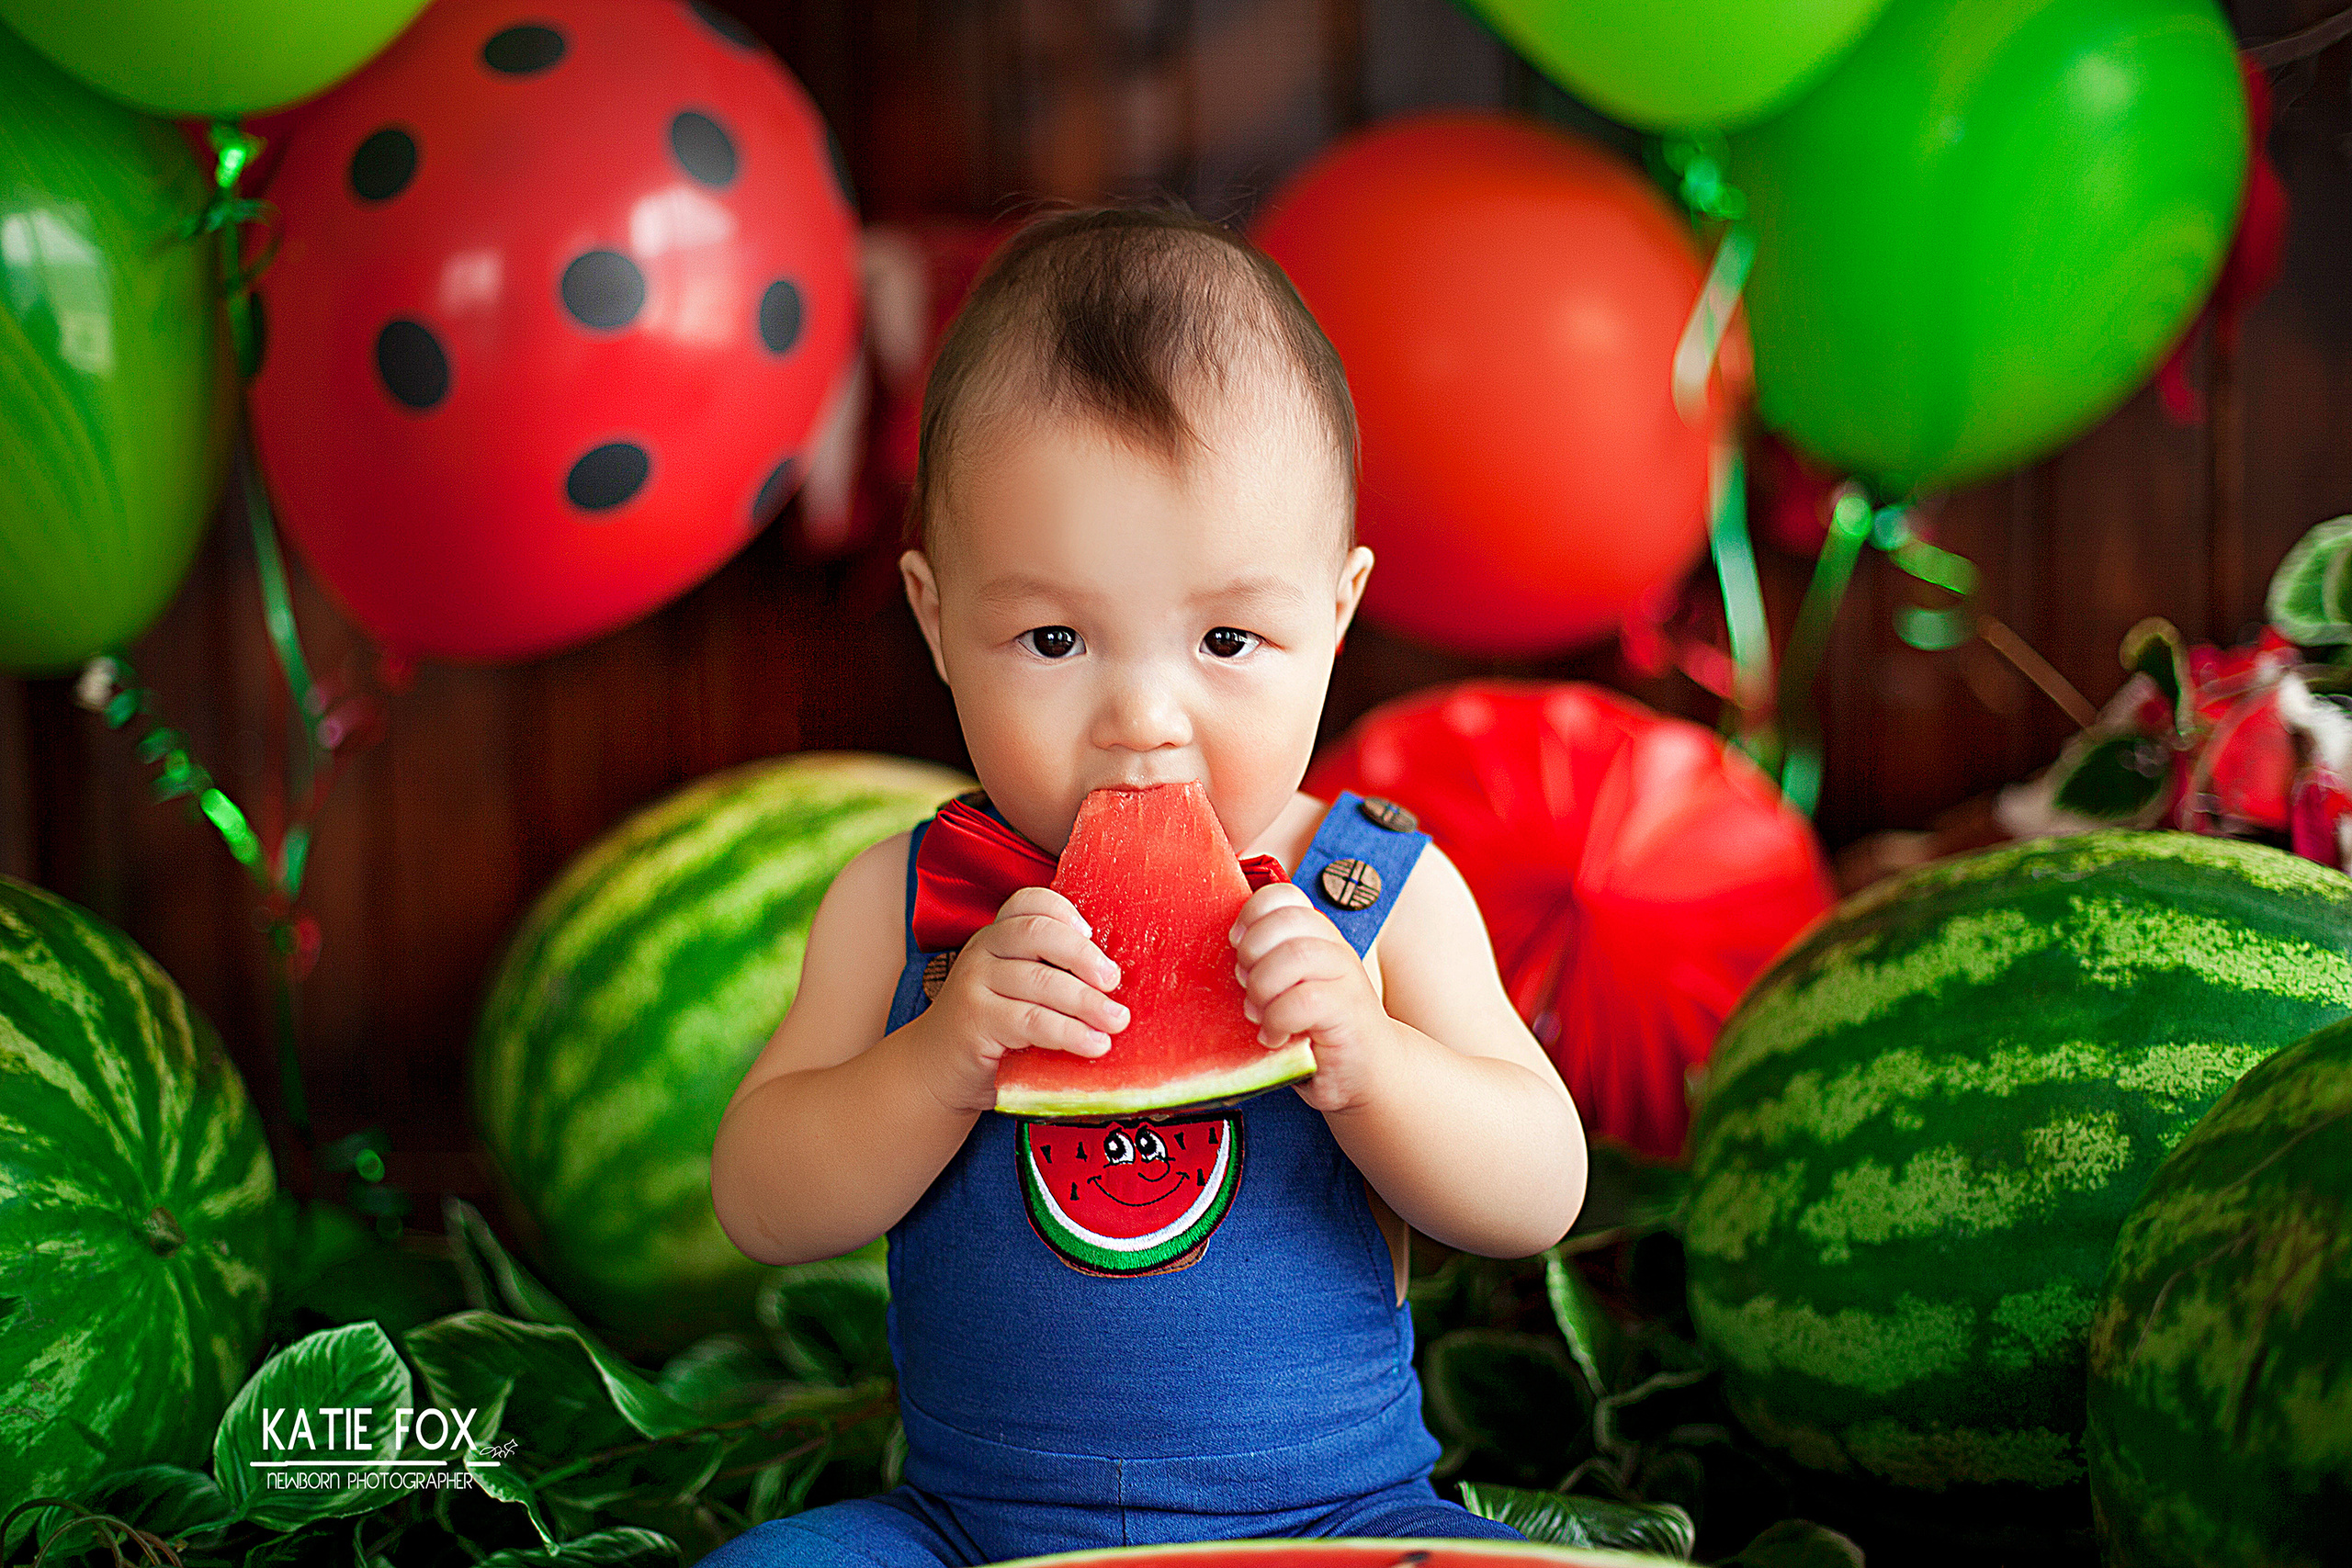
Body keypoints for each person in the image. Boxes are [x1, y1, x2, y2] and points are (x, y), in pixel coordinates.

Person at [706, 197, 1588, 1567]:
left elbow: (1540, 1189)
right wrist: (940, 1058)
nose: (1144, 717)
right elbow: (763, 1201)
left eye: (1228, 636)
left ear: (1336, 616)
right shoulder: (906, 902)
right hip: (972, 1533)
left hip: (1332, 1526)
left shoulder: (1375, 889)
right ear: (940, 621)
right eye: (1054, 637)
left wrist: (1371, 1059)